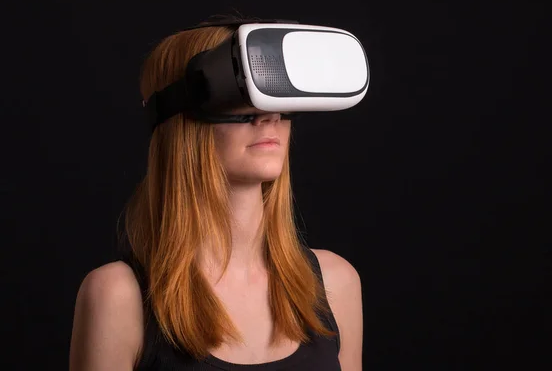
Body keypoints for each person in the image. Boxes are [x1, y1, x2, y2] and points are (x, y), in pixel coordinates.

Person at [69, 18, 363, 371]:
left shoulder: (334, 283)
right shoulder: (117, 297)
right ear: (181, 119)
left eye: (278, 94)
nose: (269, 116)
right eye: (240, 94)